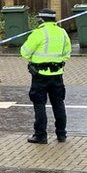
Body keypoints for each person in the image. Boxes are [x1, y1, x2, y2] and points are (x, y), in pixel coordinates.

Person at [20, 9, 71, 144]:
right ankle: (61, 135)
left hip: (40, 76)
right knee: (59, 104)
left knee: (39, 104)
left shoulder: (38, 33)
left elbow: (24, 52)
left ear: (42, 19)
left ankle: (41, 135)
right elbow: (67, 53)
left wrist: (34, 58)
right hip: (57, 75)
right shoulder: (62, 32)